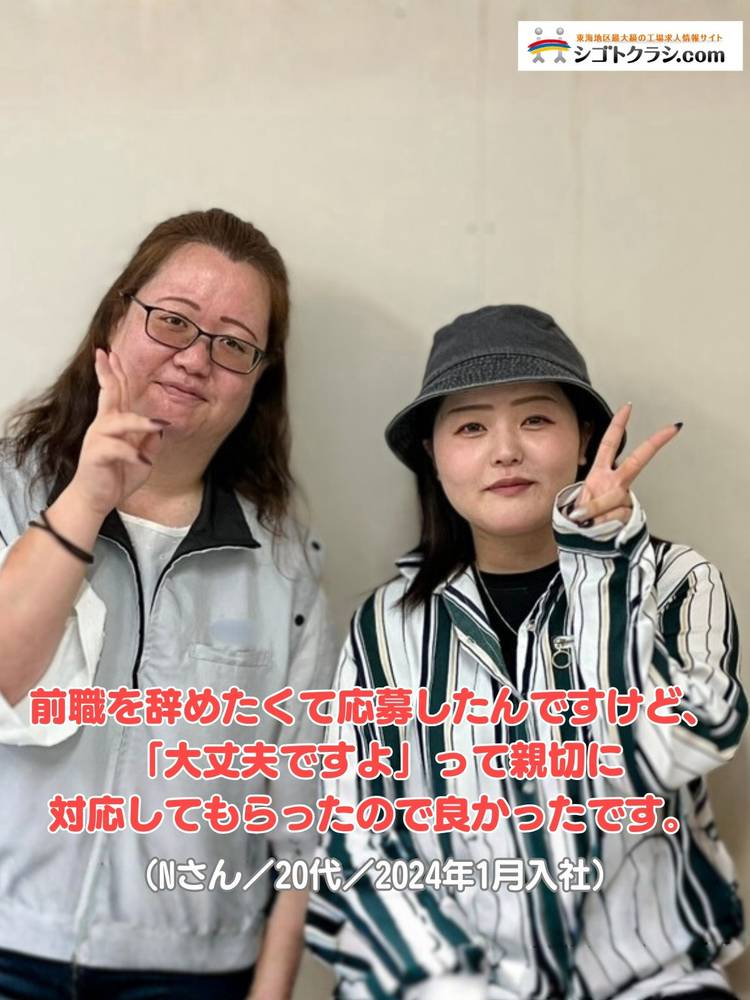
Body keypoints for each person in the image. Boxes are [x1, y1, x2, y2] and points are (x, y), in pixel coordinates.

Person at [305, 305, 746, 1000]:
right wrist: (448, 985)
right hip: (452, 983)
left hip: (654, 981)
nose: (505, 450)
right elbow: (355, 839)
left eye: (536, 419)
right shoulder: (384, 627)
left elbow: (682, 745)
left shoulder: (677, 582)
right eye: (470, 426)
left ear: (584, 439)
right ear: (433, 455)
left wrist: (600, 566)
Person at [0, 208, 336, 999]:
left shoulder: (284, 567)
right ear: (116, 318)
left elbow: (303, 822)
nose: (194, 359)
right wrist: (89, 495)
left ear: (259, 377)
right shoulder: (12, 496)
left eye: (233, 344)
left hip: (190, 970)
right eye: (174, 320)